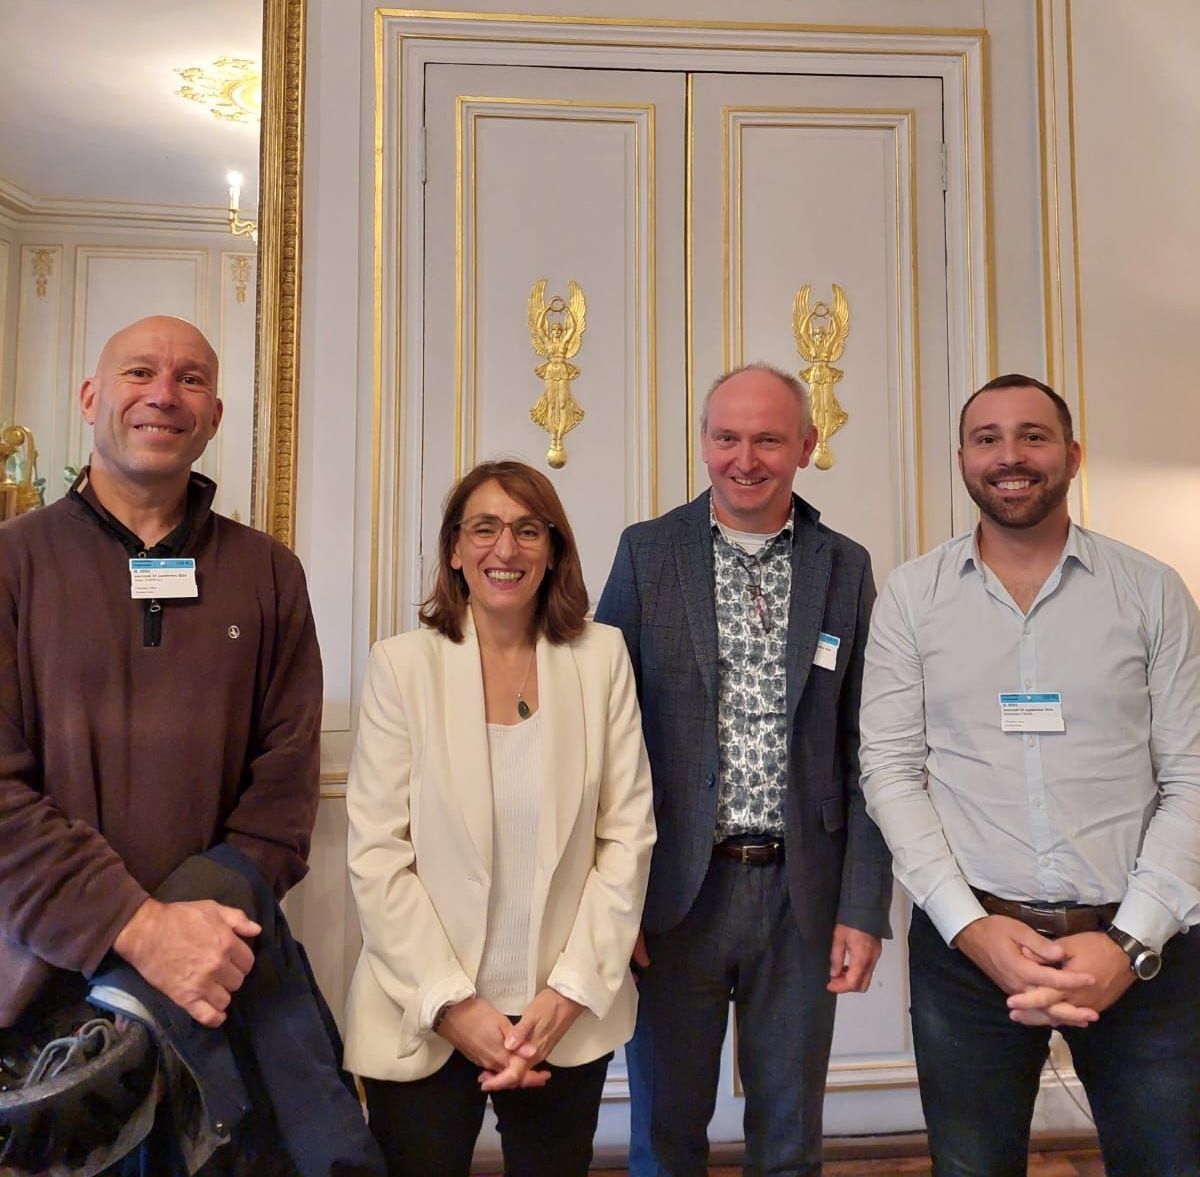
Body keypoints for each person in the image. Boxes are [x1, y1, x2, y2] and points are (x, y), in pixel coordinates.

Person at [0, 316, 335, 1170]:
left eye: (190, 379)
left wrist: (187, 939)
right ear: (90, 398)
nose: (163, 393)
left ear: (215, 414)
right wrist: (138, 927)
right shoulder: (12, 562)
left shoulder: (268, 573)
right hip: (48, 1019)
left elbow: (285, 790)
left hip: (223, 993)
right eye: (139, 371)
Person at [860, 374, 1200, 1176]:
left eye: (1032, 436)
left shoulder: (1151, 591)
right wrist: (969, 927)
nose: (1010, 456)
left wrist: (1128, 942)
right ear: (963, 460)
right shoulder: (912, 597)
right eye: (987, 439)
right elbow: (891, 770)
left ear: (1073, 455)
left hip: (1141, 953)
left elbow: (1191, 775)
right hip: (969, 952)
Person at [595, 363, 892, 1176]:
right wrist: (609, 905)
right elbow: (599, 734)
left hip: (802, 897)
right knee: (664, 1136)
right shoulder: (647, 553)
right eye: (727, 437)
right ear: (703, 443)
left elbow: (872, 748)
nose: (746, 458)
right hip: (672, 898)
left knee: (790, 1139)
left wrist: (863, 906)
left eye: (768, 438)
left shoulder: (845, 566)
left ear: (807, 443)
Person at [343, 458, 655, 1176]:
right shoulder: (401, 667)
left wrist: (571, 991)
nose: (504, 550)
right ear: (455, 548)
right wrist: (453, 1005)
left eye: (526, 530)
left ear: (554, 549)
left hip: (562, 1019)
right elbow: (377, 854)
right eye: (483, 528)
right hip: (423, 1011)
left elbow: (627, 837)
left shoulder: (601, 657)